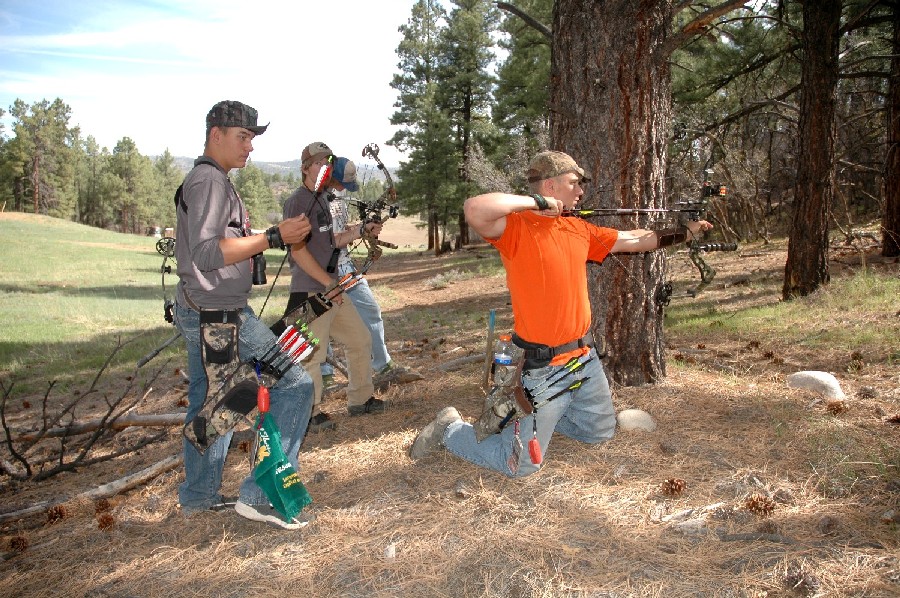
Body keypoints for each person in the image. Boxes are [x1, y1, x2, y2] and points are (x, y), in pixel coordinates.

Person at [409, 150, 713, 477]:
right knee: (521, 466)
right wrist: (536, 204)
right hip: (540, 368)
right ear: (550, 186)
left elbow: (636, 240)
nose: (581, 191)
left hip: (584, 358)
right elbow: (474, 208)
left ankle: (537, 419)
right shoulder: (514, 227)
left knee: (598, 433)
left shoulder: (577, 229)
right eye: (574, 183)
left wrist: (686, 232)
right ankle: (451, 430)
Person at [174, 100, 315, 529]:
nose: (250, 146)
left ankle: (198, 496)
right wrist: (272, 237)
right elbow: (206, 252)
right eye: (243, 136)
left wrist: (260, 238)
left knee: (214, 401)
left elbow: (218, 244)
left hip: (204, 310)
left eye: (253, 138)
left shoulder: (214, 180)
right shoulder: (209, 182)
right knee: (295, 384)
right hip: (218, 316)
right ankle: (261, 496)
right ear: (215, 133)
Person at [276, 143, 384, 433]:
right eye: (319, 162)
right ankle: (309, 413)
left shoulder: (323, 198)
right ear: (305, 167)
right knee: (311, 354)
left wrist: (362, 230)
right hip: (312, 290)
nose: (326, 166)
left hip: (332, 288)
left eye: (329, 161)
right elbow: (297, 252)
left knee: (360, 339)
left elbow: (333, 241)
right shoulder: (298, 202)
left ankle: (360, 400)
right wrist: (328, 284)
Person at [319, 157, 415, 388]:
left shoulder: (339, 196)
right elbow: (325, 241)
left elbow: (341, 232)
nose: (343, 188)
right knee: (321, 319)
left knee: (370, 310)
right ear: (330, 176)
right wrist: (361, 230)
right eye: (341, 183)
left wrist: (365, 228)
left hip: (344, 265)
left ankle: (381, 365)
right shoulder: (317, 201)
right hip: (323, 268)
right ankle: (324, 373)